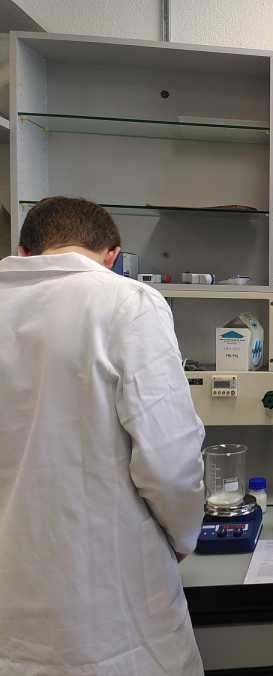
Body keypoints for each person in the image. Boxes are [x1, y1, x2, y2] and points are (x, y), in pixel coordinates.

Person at [0, 197, 206, 676]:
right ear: (113, 255)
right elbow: (168, 457)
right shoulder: (125, 302)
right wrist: (183, 534)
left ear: (24, 252)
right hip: (107, 613)